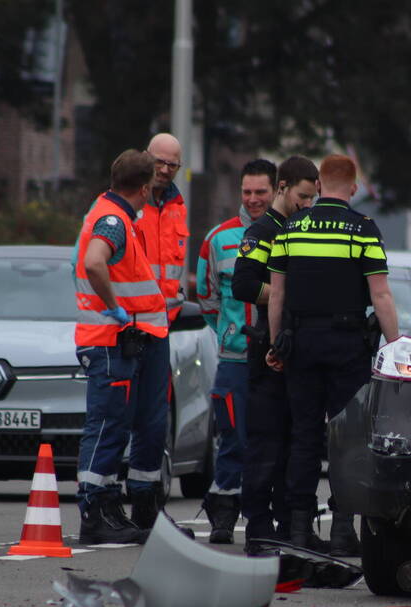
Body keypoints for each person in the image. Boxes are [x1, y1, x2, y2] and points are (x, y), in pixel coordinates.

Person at [266, 154, 399, 552]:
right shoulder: (363, 230)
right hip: (347, 348)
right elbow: (380, 294)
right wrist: (396, 347)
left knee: (304, 438)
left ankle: (299, 531)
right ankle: (343, 530)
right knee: (346, 441)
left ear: (320, 185)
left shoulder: (291, 228)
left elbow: (277, 295)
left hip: (302, 345)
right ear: (354, 187)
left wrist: (276, 345)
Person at [73, 149, 167, 544]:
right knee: (108, 425)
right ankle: (95, 514)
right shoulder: (113, 220)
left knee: (115, 425)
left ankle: (107, 509)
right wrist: (115, 308)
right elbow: (96, 262)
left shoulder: (107, 210)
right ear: (144, 189)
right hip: (110, 340)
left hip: (117, 341)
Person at [231, 155, 318, 555]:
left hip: (296, 352)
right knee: (266, 443)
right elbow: (245, 285)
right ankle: (260, 528)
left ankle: (290, 525)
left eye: (312, 198)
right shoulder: (263, 231)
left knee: (295, 443)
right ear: (283, 188)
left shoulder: (301, 228)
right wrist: (285, 295)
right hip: (267, 350)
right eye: (302, 196)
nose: (307, 205)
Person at [196, 159, 277, 543]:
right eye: (247, 192)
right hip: (235, 358)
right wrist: (229, 332)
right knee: (233, 438)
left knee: (275, 438)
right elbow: (206, 297)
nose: (253, 199)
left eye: (261, 192)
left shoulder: (286, 234)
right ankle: (223, 513)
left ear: (275, 190)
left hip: (277, 356)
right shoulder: (218, 239)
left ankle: (270, 516)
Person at [128, 132, 188, 532]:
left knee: (154, 423)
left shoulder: (178, 207)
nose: (165, 170)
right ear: (145, 158)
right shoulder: (129, 204)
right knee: (118, 419)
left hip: (160, 330)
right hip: (126, 329)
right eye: (159, 162)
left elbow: (173, 275)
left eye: (172, 164)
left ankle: (145, 508)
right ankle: (102, 507)